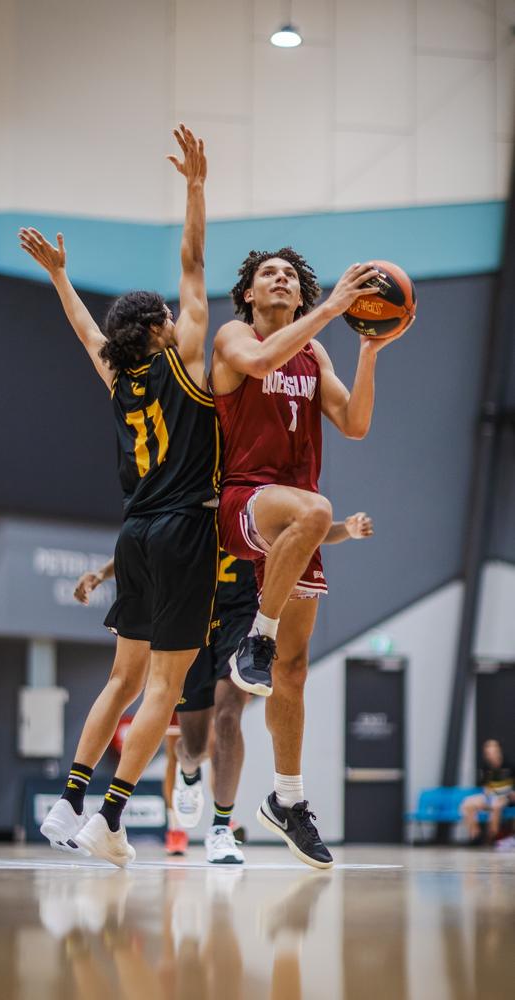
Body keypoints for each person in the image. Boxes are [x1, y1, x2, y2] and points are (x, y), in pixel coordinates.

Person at [19, 124, 219, 867]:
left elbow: (81, 328)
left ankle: (68, 805)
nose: (181, 309)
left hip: (132, 536)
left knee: (122, 679)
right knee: (165, 686)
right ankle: (110, 817)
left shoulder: (120, 379)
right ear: (161, 328)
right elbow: (195, 261)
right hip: (182, 530)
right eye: (170, 310)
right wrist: (196, 188)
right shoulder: (185, 358)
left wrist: (60, 277)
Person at [211, 248, 407, 868]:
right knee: (319, 511)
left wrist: (370, 346)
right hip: (246, 499)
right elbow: (263, 359)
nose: (281, 278)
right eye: (268, 273)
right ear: (248, 293)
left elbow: (354, 423)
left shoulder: (315, 351)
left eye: (290, 276)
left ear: (299, 296)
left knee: (293, 675)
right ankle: (257, 639)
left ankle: (287, 801)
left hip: (295, 518)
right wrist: (331, 307)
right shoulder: (235, 336)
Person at [172, 513, 374, 865]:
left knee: (228, 718)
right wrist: (106, 573)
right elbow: (147, 538)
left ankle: (221, 828)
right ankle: (187, 772)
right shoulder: (190, 492)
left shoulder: (250, 494)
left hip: (242, 614)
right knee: (193, 746)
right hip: (193, 614)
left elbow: (305, 526)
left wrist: (346, 530)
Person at [461, 739, 514, 844]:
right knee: (467, 804)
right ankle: (475, 836)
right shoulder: (485, 767)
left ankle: (491, 838)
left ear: (499, 751)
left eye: (494, 752)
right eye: (488, 753)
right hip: (490, 796)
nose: (491, 755)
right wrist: (485, 797)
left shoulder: (510, 765)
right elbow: (485, 787)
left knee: (496, 806)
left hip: (505, 798)